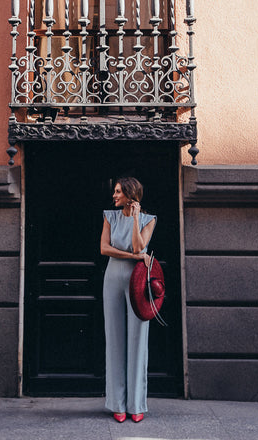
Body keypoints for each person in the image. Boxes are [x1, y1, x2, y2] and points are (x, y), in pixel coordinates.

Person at [100, 177, 157, 423]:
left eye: (118, 192)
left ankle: (136, 404)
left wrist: (135, 219)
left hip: (138, 279)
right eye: (114, 192)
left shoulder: (148, 220)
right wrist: (134, 256)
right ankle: (117, 404)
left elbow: (138, 247)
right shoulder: (109, 216)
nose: (114, 196)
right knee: (114, 338)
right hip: (113, 275)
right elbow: (104, 249)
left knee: (138, 339)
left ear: (130, 195)